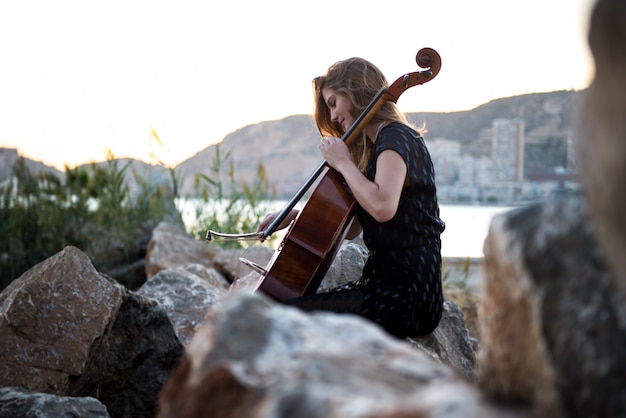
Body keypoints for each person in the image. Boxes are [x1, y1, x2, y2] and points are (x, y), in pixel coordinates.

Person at [256, 57, 445, 339]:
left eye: (333, 103)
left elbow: (382, 207)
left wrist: (344, 163)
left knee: (284, 319)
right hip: (385, 288)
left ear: (356, 91)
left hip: (408, 297)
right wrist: (297, 217)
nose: (332, 117)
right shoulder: (378, 146)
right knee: (286, 312)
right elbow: (354, 227)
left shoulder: (395, 138)